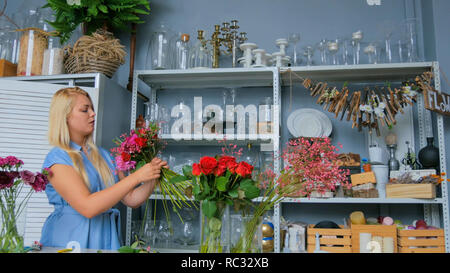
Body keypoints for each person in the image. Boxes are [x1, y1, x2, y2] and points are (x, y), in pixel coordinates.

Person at [40, 86, 166, 250]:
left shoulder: (104, 156)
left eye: (92, 108)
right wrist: (137, 177)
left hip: (105, 236)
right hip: (71, 238)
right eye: (85, 110)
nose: (93, 113)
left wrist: (153, 177)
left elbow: (131, 199)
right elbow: (88, 207)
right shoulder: (58, 159)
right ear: (65, 117)